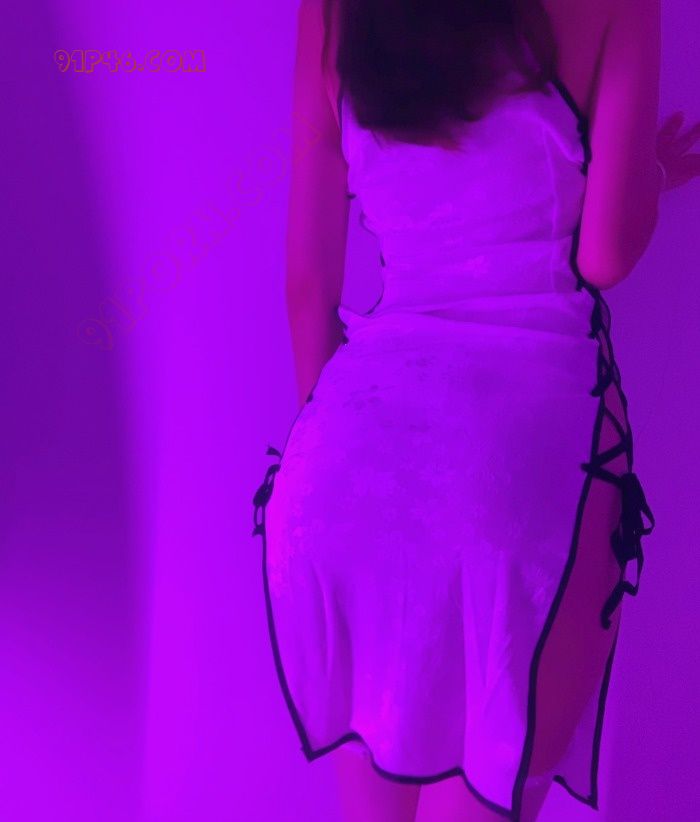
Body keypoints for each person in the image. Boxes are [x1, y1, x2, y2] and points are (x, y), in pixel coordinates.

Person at [252, 0, 699, 819]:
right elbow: (604, 253)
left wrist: (342, 452)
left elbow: (307, 288)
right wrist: (650, 175)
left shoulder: (330, 9)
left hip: (347, 466)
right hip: (525, 462)